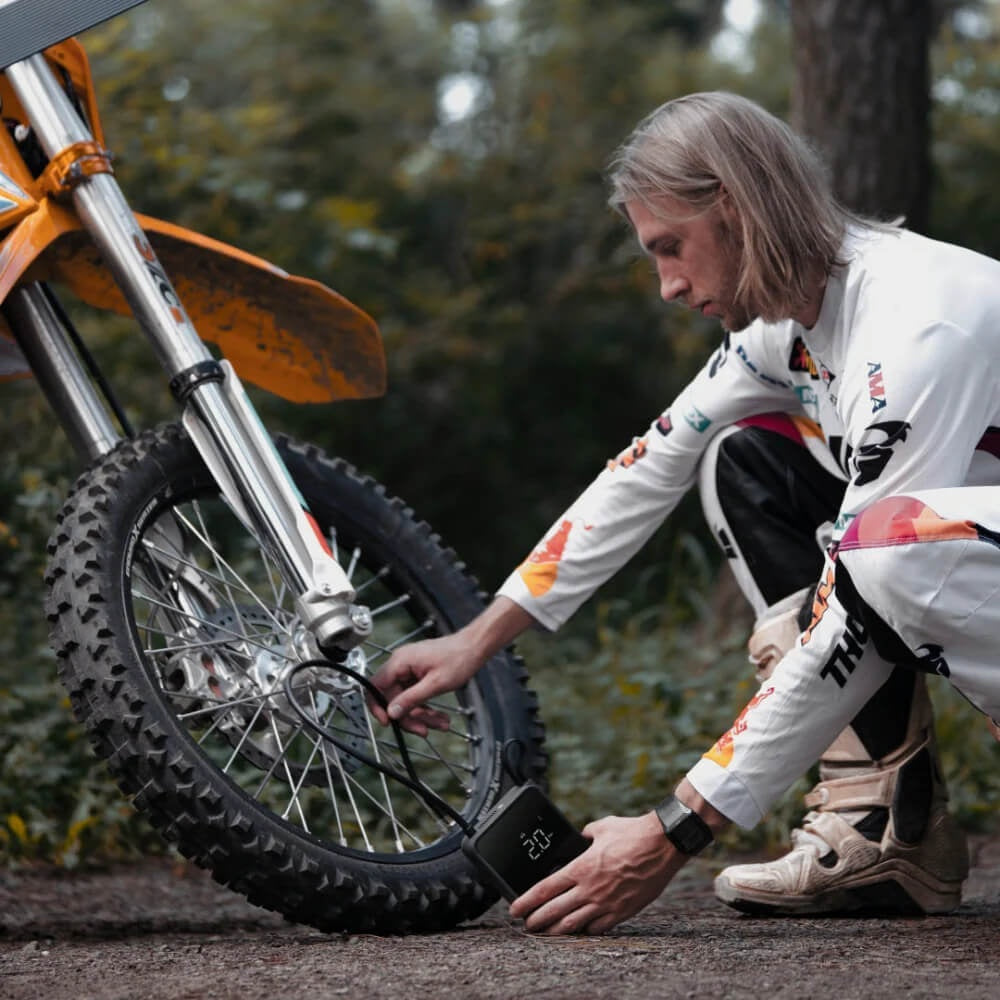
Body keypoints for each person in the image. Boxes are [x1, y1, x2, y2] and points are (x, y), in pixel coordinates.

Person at [370, 91, 1000, 934]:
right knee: (747, 461)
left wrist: (673, 830)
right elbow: (643, 471)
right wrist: (476, 642)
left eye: (670, 247)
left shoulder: (917, 323)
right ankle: (881, 827)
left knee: (884, 552)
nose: (667, 285)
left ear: (734, 207)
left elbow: (859, 602)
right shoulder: (787, 328)